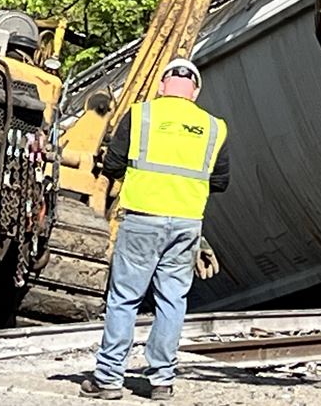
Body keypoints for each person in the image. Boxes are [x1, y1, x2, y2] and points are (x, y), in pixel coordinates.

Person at [80, 58, 229, 401]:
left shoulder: (140, 115)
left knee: (124, 299)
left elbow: (113, 164)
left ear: (162, 86)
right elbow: (220, 181)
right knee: (172, 300)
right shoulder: (214, 127)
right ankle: (161, 380)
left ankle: (108, 379)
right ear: (196, 92)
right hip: (186, 224)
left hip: (142, 220)